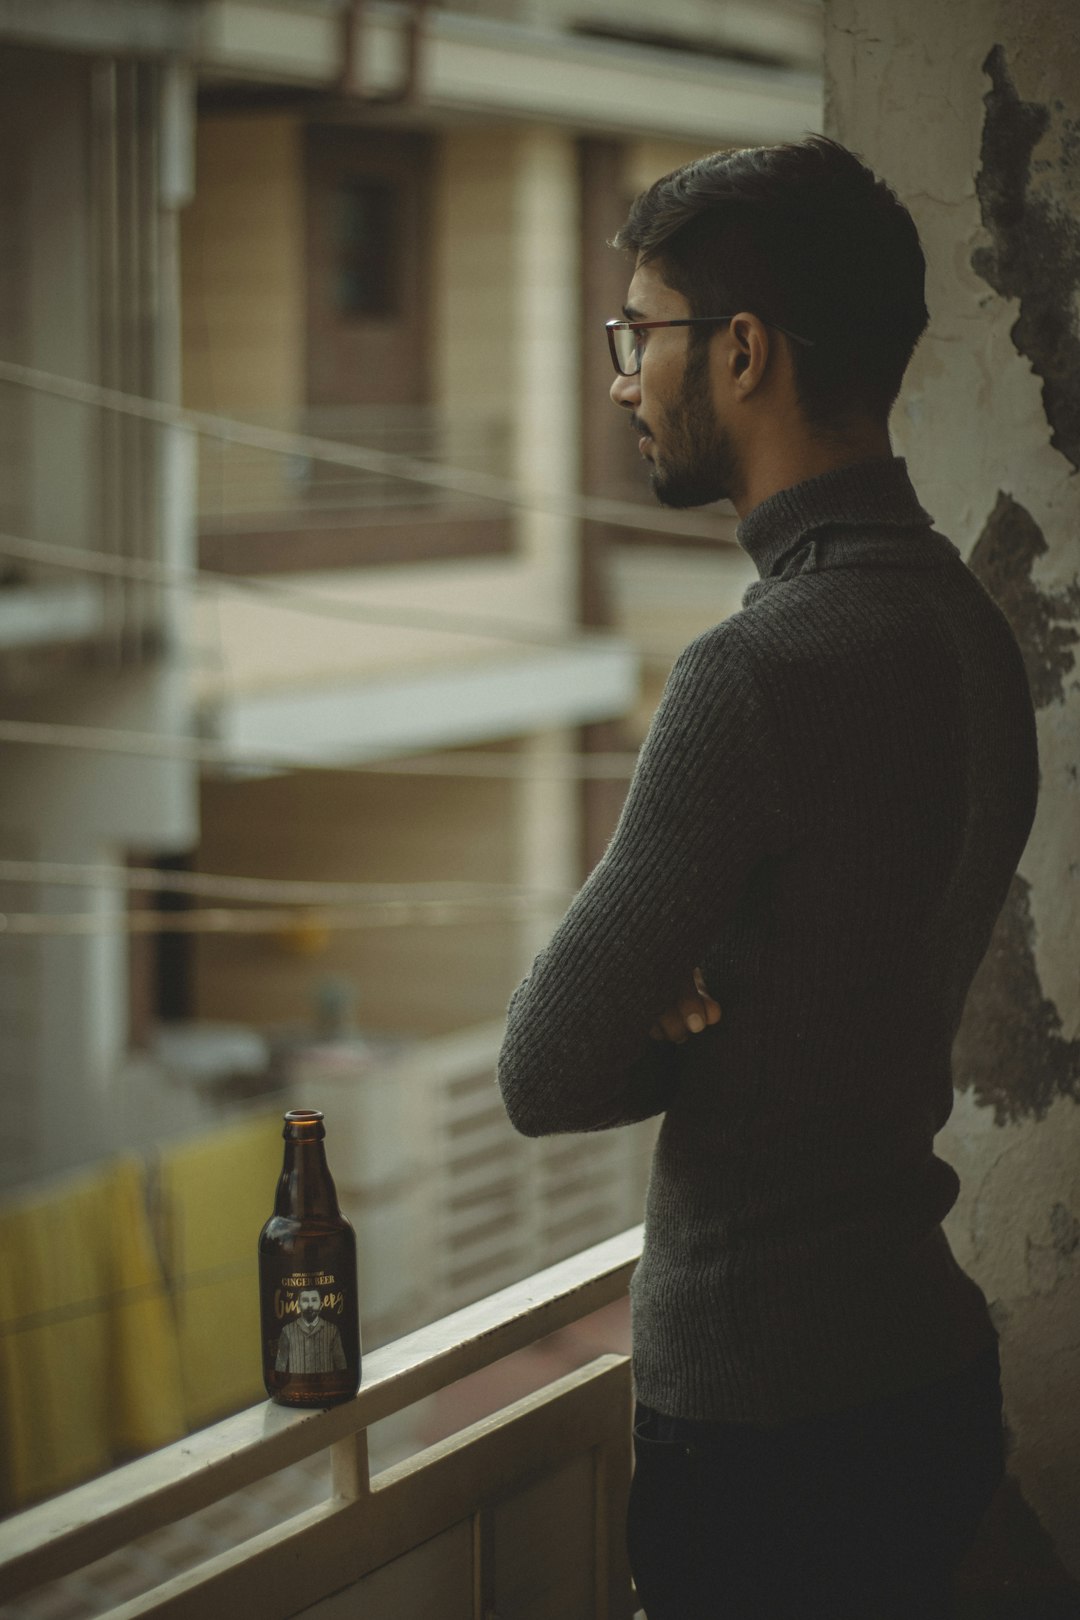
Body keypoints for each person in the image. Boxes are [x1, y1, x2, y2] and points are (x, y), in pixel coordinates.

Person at [496, 136, 1038, 1619]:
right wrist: (741, 997)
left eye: (641, 332)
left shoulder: (756, 675)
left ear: (740, 353)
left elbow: (545, 1067)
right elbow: (850, 987)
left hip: (762, 1427)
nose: (623, 378)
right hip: (926, 1377)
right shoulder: (972, 637)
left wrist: (691, 1000)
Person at [275, 1286, 346, 1376]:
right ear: (298, 1304)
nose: (310, 1305)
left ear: (321, 1304)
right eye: (305, 1300)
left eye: (314, 1300)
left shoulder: (332, 1330)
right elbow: (280, 1364)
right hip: (296, 1386)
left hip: (327, 1383)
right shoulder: (287, 1331)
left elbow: (341, 1364)